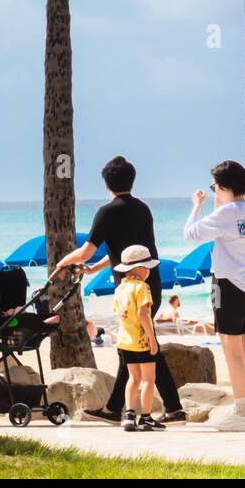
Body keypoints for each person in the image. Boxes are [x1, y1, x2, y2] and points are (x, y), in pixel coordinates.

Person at [56, 156, 185, 425]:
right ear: (132, 179)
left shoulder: (107, 212)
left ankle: (167, 408)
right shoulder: (143, 209)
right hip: (152, 284)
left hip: (129, 291)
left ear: (106, 184)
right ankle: (118, 408)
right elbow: (128, 254)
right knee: (136, 345)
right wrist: (94, 269)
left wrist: (63, 262)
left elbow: (86, 250)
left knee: (141, 347)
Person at [184, 160, 245, 432]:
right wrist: (215, 201)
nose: (213, 191)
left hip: (226, 287)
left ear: (223, 187)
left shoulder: (225, 215)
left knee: (231, 352)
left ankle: (241, 413)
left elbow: (190, 234)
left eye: (215, 187)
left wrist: (196, 206)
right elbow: (223, 220)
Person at [111, 246, 163, 432]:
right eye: (147, 267)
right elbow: (143, 313)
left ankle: (129, 415)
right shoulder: (142, 287)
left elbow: (119, 313)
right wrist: (152, 339)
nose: (149, 271)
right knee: (149, 379)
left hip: (124, 341)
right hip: (142, 341)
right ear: (139, 268)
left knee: (133, 378)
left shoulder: (120, 288)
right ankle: (146, 417)